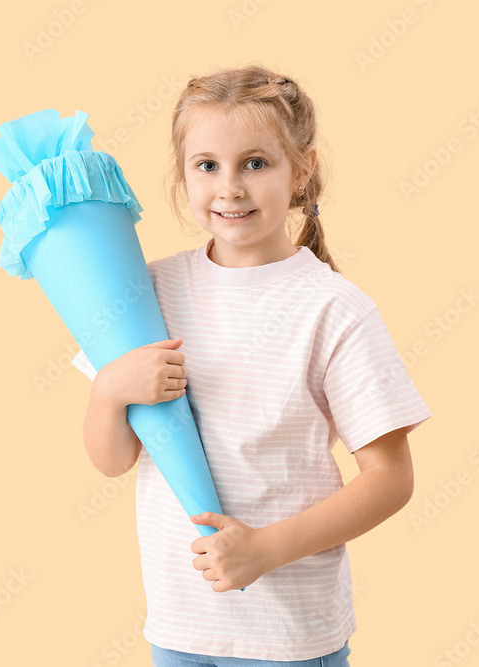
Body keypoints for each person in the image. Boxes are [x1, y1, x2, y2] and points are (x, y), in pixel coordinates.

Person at [72, 63, 432, 666]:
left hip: (286, 636)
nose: (229, 188)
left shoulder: (332, 309)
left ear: (302, 171)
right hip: (181, 627)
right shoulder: (147, 291)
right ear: (183, 172)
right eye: (207, 165)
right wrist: (108, 392)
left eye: (255, 163)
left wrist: (265, 549)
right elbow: (112, 461)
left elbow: (390, 479)